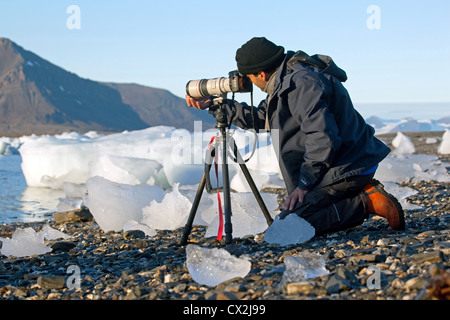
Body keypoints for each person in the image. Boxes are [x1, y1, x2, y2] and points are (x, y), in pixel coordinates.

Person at [186, 37, 405, 236]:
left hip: (349, 164)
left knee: (291, 227)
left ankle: (366, 202)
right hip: (341, 163)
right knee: (288, 223)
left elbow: (322, 138)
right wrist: (218, 106)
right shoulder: (287, 78)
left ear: (261, 74)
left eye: (250, 78)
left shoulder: (301, 83)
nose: (251, 83)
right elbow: (263, 118)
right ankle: (357, 192)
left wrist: (305, 184)